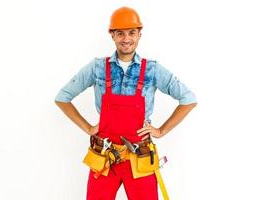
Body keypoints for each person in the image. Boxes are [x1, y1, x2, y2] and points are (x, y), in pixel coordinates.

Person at [55, 6, 197, 200]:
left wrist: (161, 131)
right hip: (105, 157)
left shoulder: (152, 70)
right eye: (120, 33)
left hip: (140, 159)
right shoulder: (97, 67)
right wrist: (88, 127)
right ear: (112, 35)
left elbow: (188, 99)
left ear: (139, 34)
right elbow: (63, 97)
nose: (126, 39)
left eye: (131, 32)